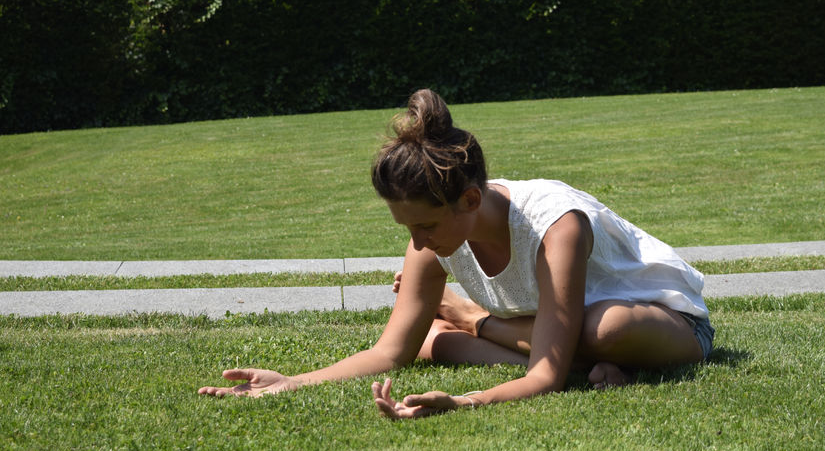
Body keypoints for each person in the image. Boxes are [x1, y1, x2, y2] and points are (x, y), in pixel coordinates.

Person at [198, 89, 715, 419]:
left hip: (661, 323)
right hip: (546, 331)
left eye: (425, 226)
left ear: (469, 200)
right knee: (432, 341)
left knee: (603, 329)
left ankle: (501, 330)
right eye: (407, 229)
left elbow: (544, 380)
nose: (418, 244)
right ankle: (581, 364)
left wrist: (463, 397)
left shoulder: (556, 225)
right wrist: (291, 382)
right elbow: (390, 352)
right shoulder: (431, 236)